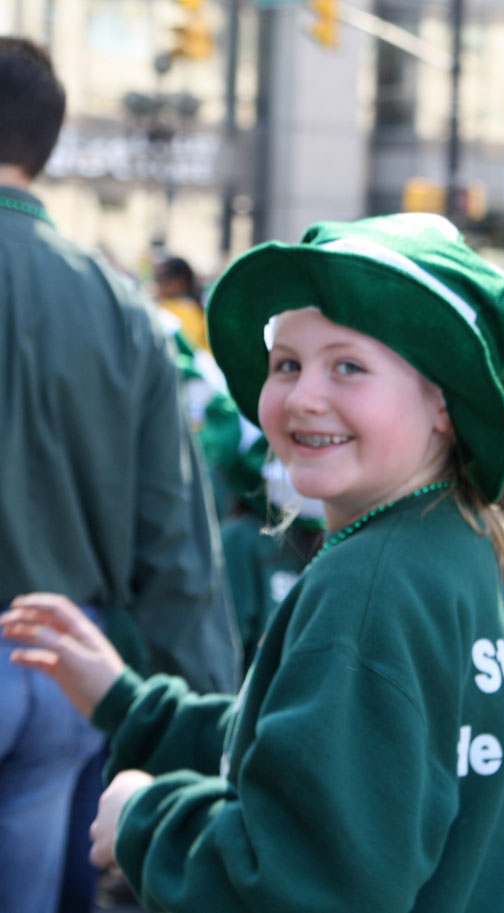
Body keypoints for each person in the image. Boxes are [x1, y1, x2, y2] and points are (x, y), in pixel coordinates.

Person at [1, 211, 504, 913]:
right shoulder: (452, 542)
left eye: (348, 365)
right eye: (288, 364)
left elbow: (304, 884)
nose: (304, 396)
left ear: (444, 404)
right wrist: (127, 700)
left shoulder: (370, 582)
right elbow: (321, 752)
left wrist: (146, 818)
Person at [0, 36, 239, 913]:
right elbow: (175, 536)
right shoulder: (122, 309)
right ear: (49, 146)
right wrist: (204, 719)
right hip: (67, 661)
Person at [154, 254, 209, 351]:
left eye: (162, 278)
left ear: (180, 281)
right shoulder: (190, 307)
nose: (158, 284)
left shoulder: (187, 310)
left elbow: (187, 349)